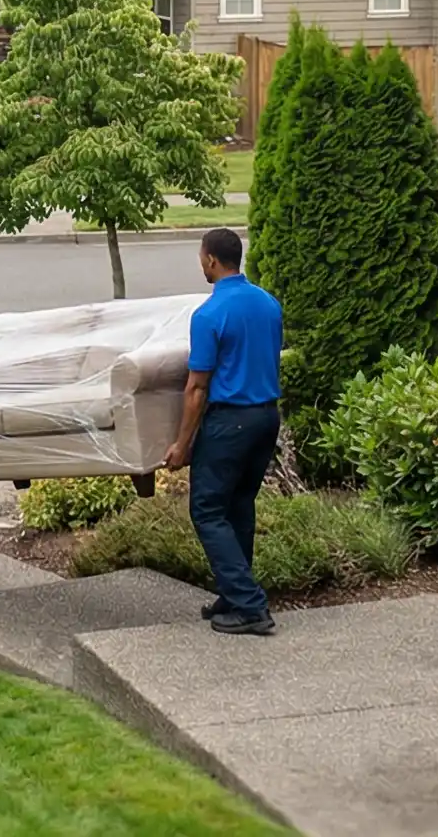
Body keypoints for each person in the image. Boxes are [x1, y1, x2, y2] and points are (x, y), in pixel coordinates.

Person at [162, 227, 285, 636]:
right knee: (239, 507)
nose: (201, 263)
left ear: (211, 261)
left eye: (201, 257)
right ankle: (233, 595)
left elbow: (197, 388)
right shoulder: (269, 304)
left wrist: (182, 445)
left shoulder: (210, 315)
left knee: (207, 510)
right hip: (267, 418)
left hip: (230, 421)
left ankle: (250, 605)